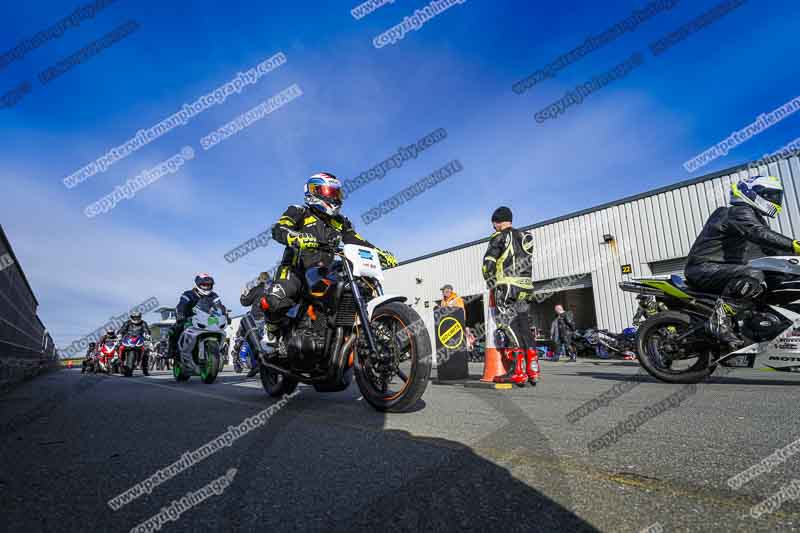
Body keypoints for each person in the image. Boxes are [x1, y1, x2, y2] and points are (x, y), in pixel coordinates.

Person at [263, 172, 397, 346]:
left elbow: (356, 240)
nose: (334, 197)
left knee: (351, 288)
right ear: (314, 192)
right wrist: (295, 237)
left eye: (336, 193)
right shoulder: (299, 211)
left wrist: (379, 253)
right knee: (278, 298)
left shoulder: (340, 221)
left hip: (323, 270)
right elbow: (279, 228)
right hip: (296, 270)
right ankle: (271, 333)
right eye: (330, 192)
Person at [685, 175, 800, 348]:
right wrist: (794, 245)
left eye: (776, 196)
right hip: (704, 268)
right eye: (769, 195)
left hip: (725, 271)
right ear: (749, 193)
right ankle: (719, 321)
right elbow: (758, 233)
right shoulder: (736, 212)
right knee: (753, 273)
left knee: (781, 277)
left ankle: (766, 326)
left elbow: (772, 249)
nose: (774, 200)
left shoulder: (754, 218)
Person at [482, 206, 537, 385]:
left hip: (506, 286)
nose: (494, 228)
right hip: (525, 286)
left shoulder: (499, 237)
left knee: (508, 325)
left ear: (497, 222)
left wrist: (490, 281)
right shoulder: (525, 236)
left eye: (494, 224)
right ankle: (533, 369)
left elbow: (488, 264)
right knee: (524, 324)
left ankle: (518, 371)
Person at [168, 273, 229, 363]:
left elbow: (220, 306)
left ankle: (216, 353)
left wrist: (225, 315)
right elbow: (181, 305)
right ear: (198, 284)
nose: (207, 287)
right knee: (175, 328)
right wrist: (180, 314)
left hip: (207, 320)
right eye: (204, 285)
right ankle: (172, 351)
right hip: (190, 319)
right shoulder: (188, 294)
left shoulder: (214, 296)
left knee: (219, 329)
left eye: (209, 285)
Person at [236, 271, 271, 377]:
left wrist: (242, 295)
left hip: (256, 319)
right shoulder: (272, 289)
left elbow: (245, 302)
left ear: (259, 279)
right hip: (269, 319)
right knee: (266, 342)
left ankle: (251, 363)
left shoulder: (257, 289)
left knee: (251, 340)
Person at [117, 311, 152, 375]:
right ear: (131, 317)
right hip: (128, 339)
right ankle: (119, 360)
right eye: (134, 317)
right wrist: (119, 334)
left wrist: (148, 335)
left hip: (139, 339)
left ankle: (145, 369)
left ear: (140, 317)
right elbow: (122, 329)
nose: (136, 319)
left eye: (137, 317)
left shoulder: (143, 323)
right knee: (119, 347)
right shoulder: (127, 322)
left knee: (146, 352)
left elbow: (147, 330)